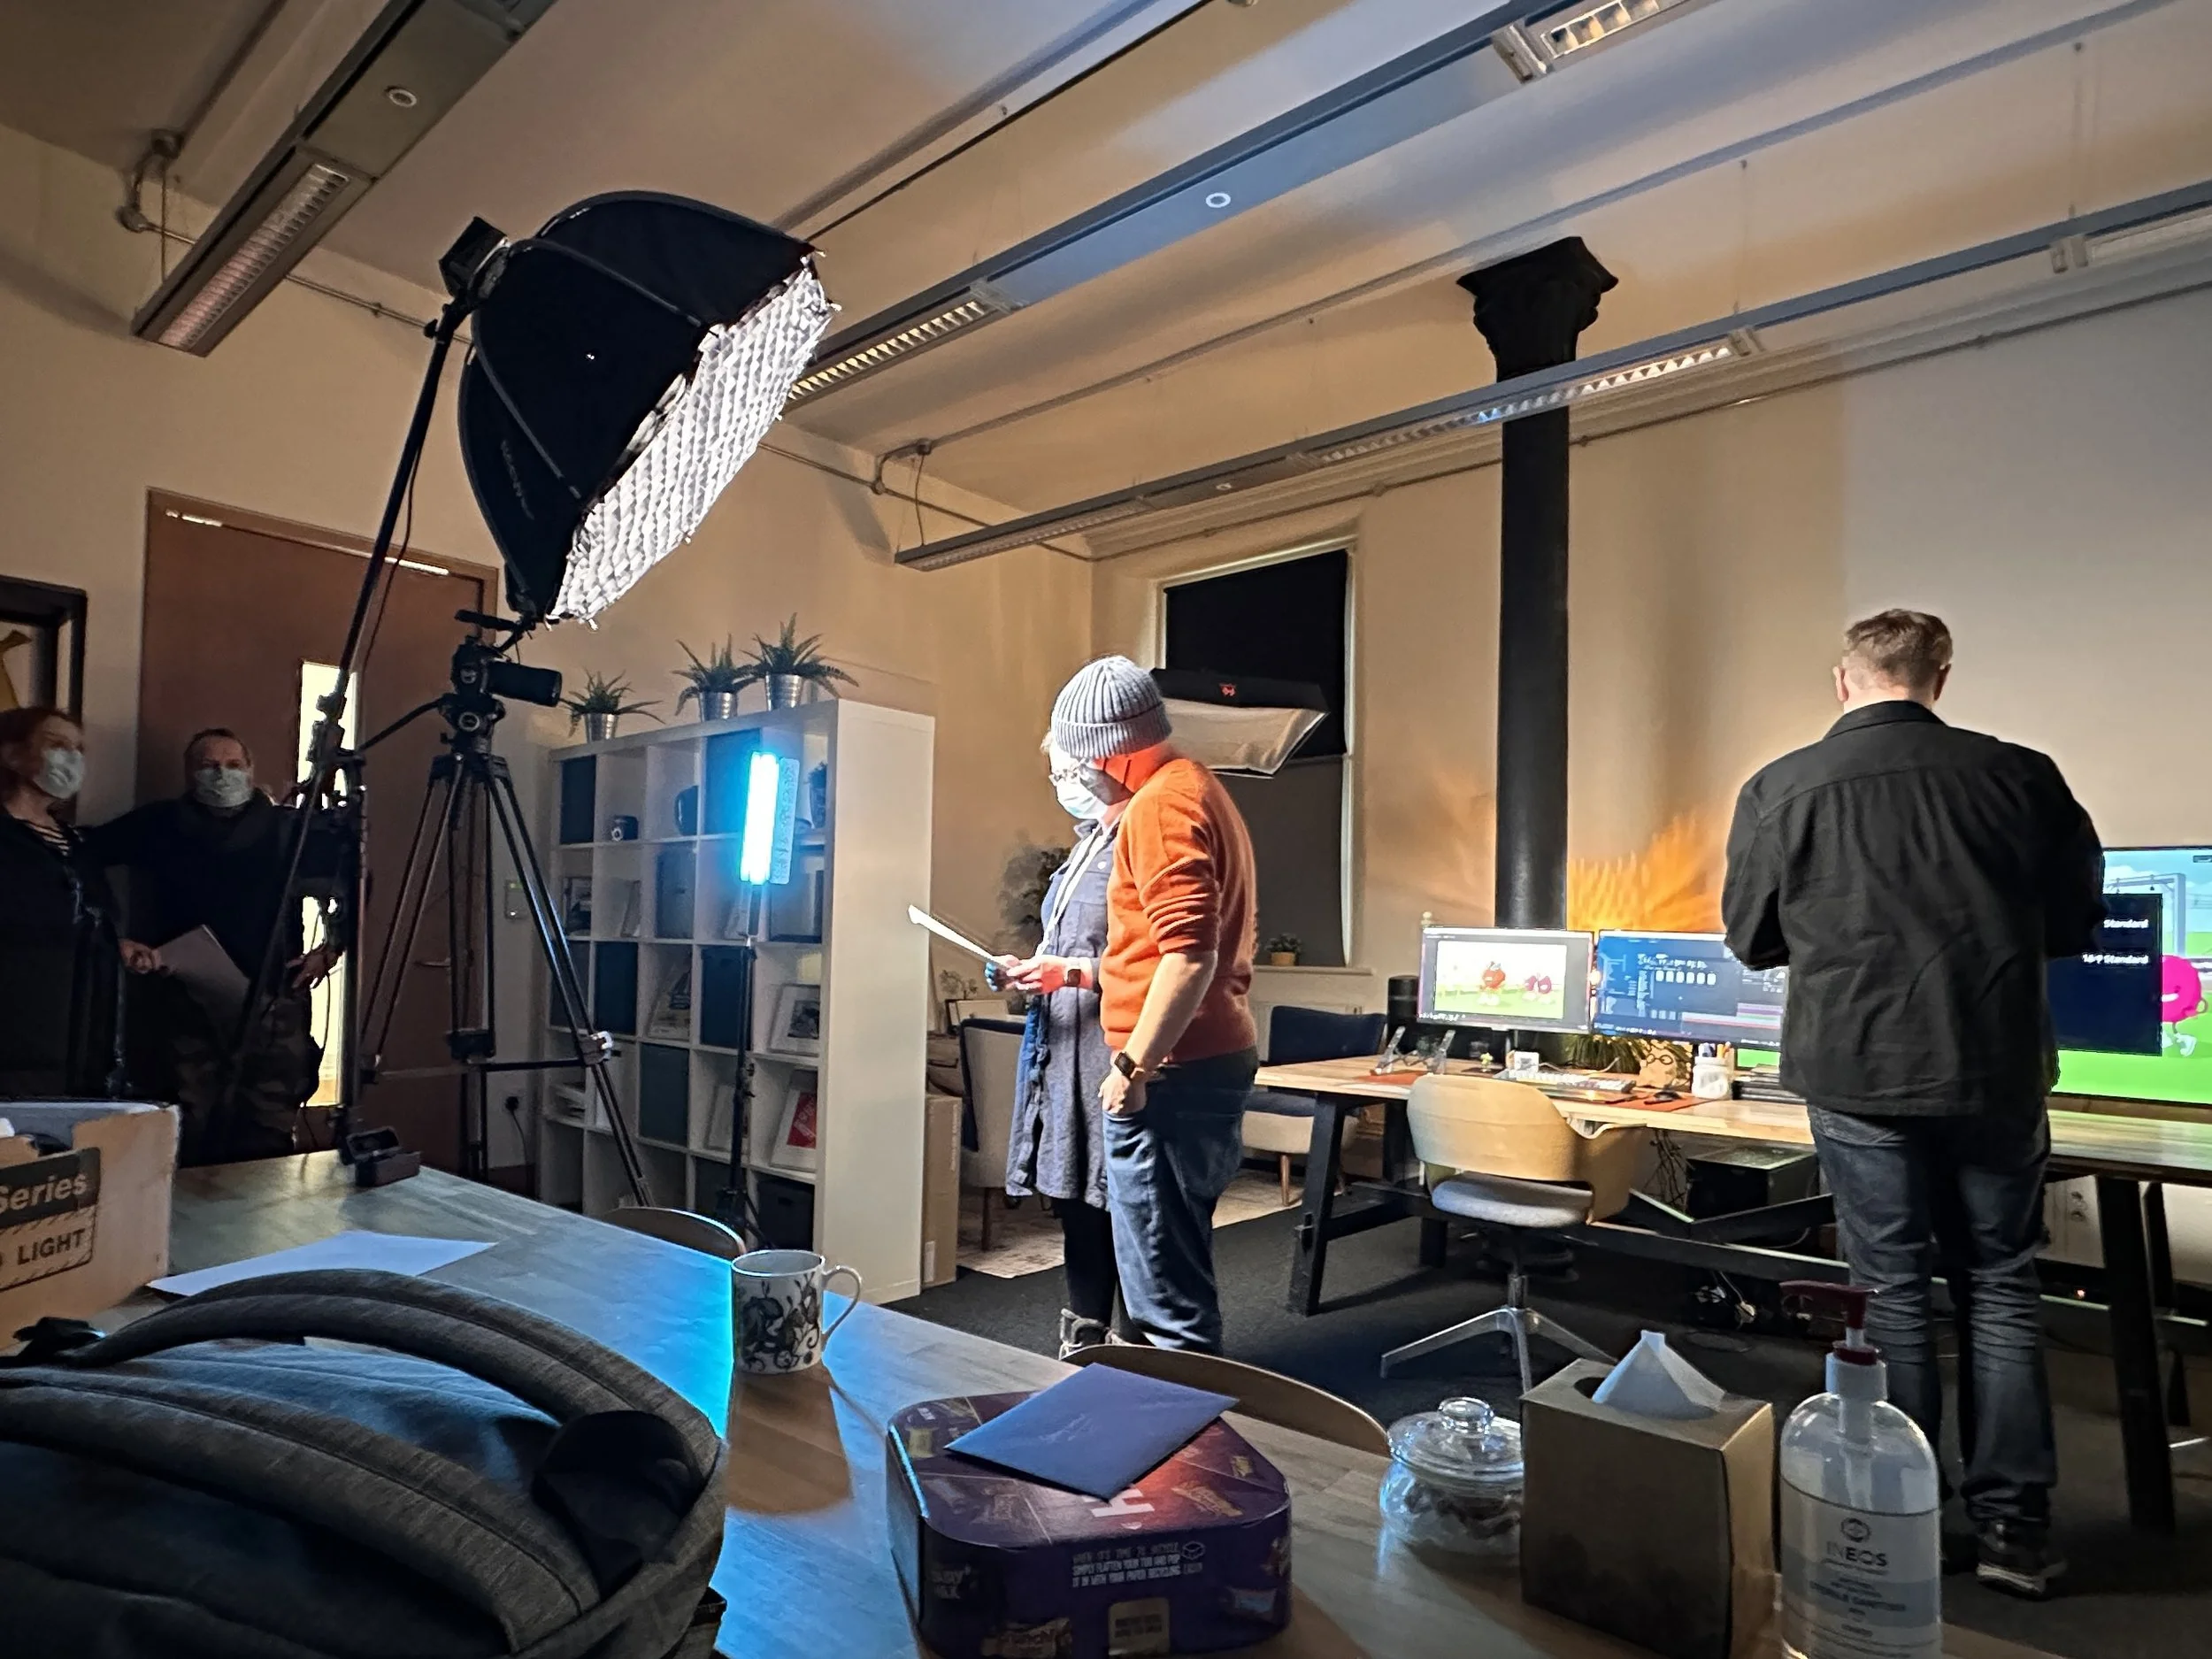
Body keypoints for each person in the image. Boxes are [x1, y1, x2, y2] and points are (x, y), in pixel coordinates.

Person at [1723, 610, 2104, 1600]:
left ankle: (1901, 1521)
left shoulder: (1780, 787)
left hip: (1855, 1070)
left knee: (1887, 1290)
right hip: (1993, 1066)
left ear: (1844, 682)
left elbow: (1751, 939)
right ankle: (2017, 1533)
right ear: (1939, 675)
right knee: (2003, 1284)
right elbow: (2074, 921)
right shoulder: (2021, 775)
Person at [1048, 657, 1259, 1354]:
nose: (1075, 776)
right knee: (1173, 1270)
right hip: (1203, 1059)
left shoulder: (1161, 805)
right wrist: (1078, 974)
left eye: (1077, 758)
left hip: (1173, 1072)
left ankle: (1187, 1456)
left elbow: (1189, 953)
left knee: (1167, 1304)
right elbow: (1159, 946)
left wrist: (1133, 1066)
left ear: (1113, 748)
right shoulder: (1195, 785)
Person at [88, 727, 343, 1163]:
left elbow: (352, 881)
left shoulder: (288, 832)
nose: (220, 775)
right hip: (177, 1002)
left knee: (265, 1138)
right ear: (189, 773)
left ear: (250, 770)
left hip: (270, 1002)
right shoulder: (157, 825)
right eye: (208, 766)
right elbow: (80, 857)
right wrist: (115, 939)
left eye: (232, 765)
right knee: (182, 1132)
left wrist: (331, 949)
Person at [992, 740, 1131, 1356]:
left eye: (1069, 769)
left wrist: (1069, 973)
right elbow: (1066, 942)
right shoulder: (1085, 847)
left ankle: (1140, 1352)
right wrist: (1025, 971)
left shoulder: (1138, 840)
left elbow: (1151, 961)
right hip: (1063, 1046)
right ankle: (1083, 1340)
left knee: (1120, 1202)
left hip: (1111, 1048)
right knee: (1076, 1195)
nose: (1062, 781)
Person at [0, 707, 158, 1096]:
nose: (71, 757)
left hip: (77, 1041)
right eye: (57, 745)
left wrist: (116, 946)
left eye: (78, 748)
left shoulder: (76, 843)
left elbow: (92, 914)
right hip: (13, 1036)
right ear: (14, 755)